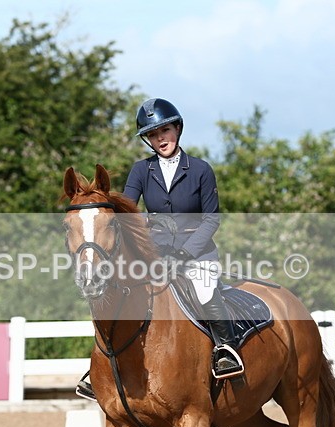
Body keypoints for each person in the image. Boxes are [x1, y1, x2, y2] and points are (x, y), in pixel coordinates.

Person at [76, 98, 243, 401]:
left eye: (165, 130)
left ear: (177, 129)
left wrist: (186, 253)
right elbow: (127, 211)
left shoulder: (201, 170)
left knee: (204, 290)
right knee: (119, 289)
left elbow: (211, 219)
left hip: (197, 250)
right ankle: (102, 362)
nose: (160, 138)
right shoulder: (141, 171)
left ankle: (225, 349)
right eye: (153, 135)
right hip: (156, 252)